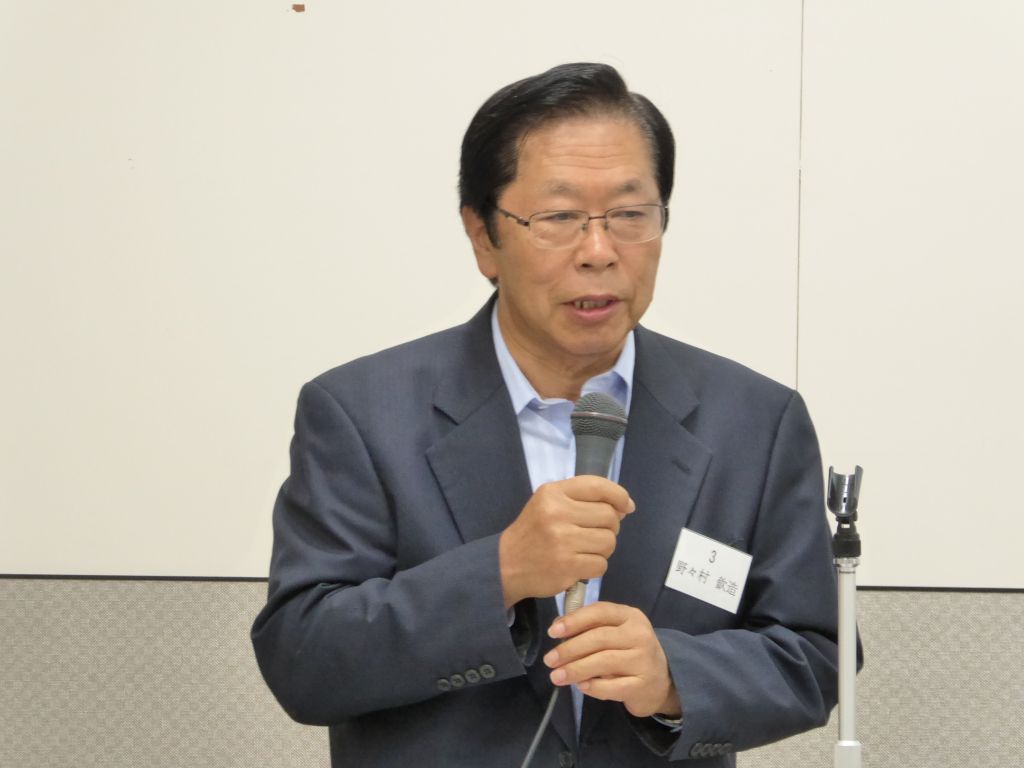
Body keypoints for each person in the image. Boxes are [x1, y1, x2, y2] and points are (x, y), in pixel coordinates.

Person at [252, 62, 843, 767]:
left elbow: (816, 654)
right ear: (483, 236)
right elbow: (303, 658)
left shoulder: (753, 421)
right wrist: (498, 573)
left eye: (630, 215)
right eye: (559, 218)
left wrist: (673, 679)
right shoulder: (362, 414)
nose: (599, 252)